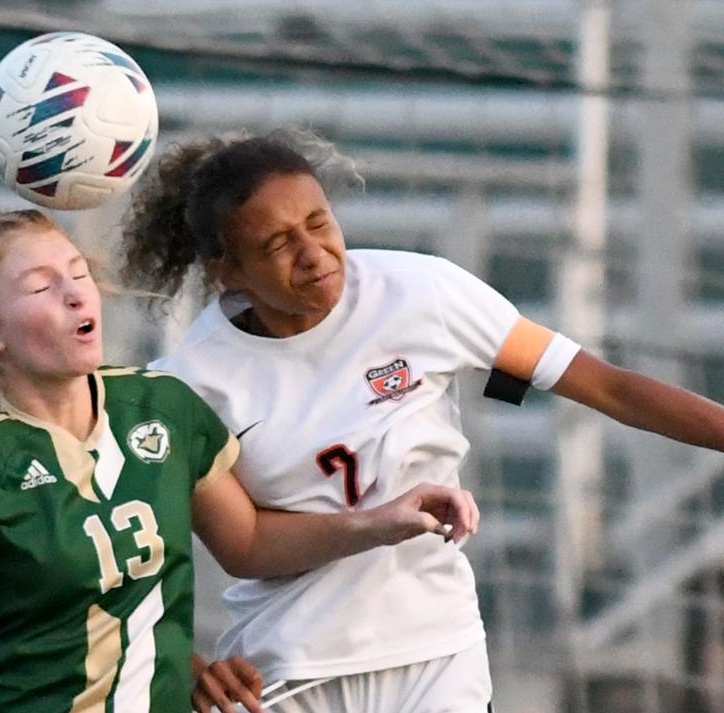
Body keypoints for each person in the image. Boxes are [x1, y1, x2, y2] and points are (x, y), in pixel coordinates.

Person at [119, 129, 724, 713]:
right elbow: (244, 546)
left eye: (319, 223)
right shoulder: (187, 385)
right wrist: (192, 663)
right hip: (285, 670)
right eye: (277, 245)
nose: (313, 255)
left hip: (437, 655)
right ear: (228, 270)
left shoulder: (421, 293)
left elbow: (609, 387)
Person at [0, 208, 481, 713]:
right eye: (41, 287)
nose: (74, 293)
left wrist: (383, 521)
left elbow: (246, 543)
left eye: (78, 273)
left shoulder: (161, 406)